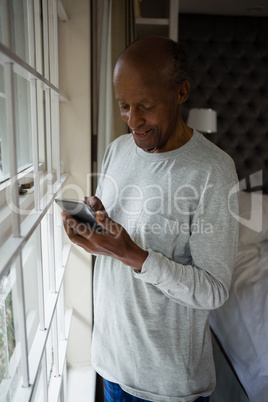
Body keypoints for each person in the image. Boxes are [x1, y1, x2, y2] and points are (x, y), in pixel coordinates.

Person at [62, 37, 239, 402]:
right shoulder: (118, 149)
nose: (133, 120)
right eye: (124, 106)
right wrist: (97, 232)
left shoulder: (213, 171)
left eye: (145, 105)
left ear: (181, 92)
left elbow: (213, 291)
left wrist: (135, 256)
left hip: (166, 386)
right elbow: (122, 245)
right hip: (110, 364)